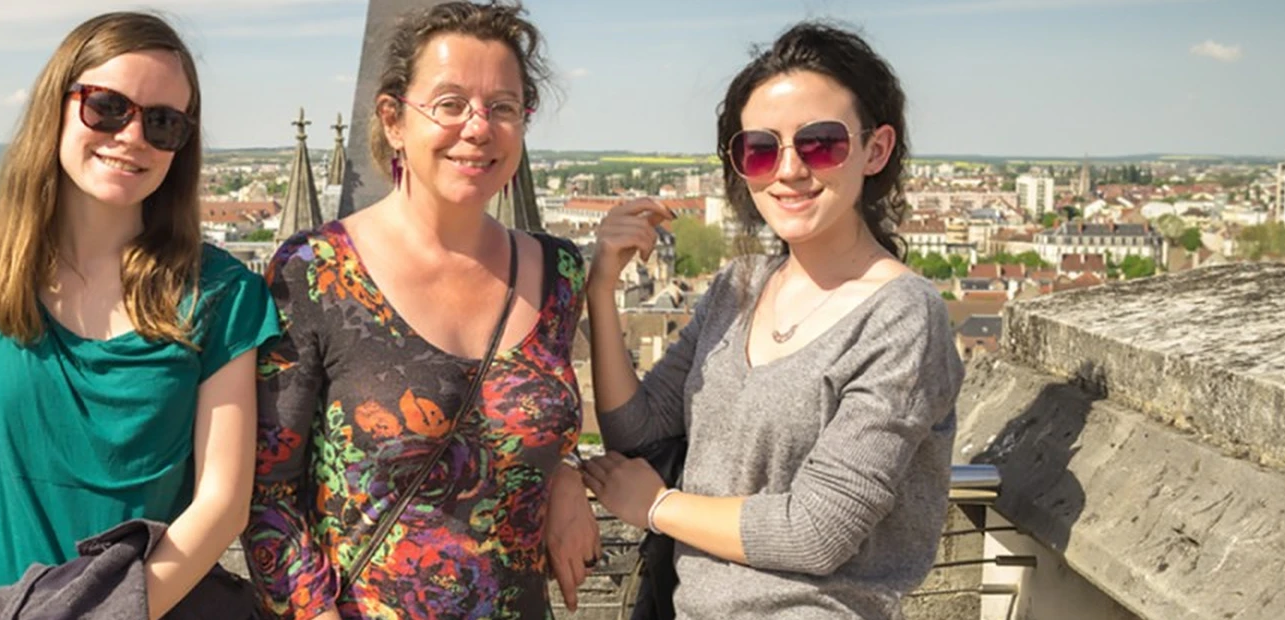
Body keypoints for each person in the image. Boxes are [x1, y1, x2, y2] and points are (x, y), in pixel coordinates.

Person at [578, 21, 963, 619]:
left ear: (876, 149)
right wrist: (601, 291)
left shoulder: (902, 317)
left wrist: (657, 507)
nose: (788, 170)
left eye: (821, 143)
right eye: (760, 148)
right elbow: (640, 431)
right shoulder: (740, 286)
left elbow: (818, 530)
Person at [0, 12, 279, 620]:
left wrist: (108, 614)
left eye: (163, 123)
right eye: (108, 107)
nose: (133, 136)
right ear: (57, 107)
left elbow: (221, 504)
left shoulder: (220, 297)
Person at [240, 2, 599, 618]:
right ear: (394, 120)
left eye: (503, 107)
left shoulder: (558, 273)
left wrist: (565, 471)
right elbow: (267, 493)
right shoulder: (317, 271)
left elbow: (539, 413)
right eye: (450, 103)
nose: (478, 127)